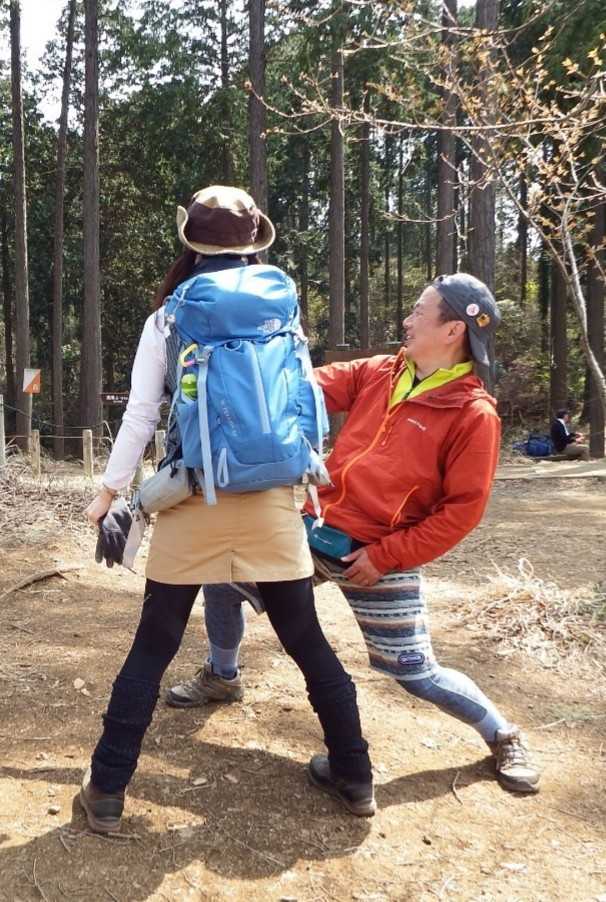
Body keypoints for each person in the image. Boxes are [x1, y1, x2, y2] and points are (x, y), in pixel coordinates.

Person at [168, 272, 541, 795]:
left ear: (453, 329)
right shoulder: (381, 372)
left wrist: (387, 556)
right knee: (224, 583)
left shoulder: (473, 414)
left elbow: (462, 511)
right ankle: (222, 677)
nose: (407, 320)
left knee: (415, 672)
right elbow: (304, 384)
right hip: (314, 526)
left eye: (419, 311)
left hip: (379, 553)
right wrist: (238, 371)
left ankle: (503, 735)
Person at [80, 186, 374, 834]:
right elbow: (301, 396)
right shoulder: (281, 303)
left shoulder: (171, 316)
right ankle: (355, 774)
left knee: (154, 645)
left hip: (195, 495)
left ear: (192, 241)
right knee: (306, 640)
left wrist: (109, 494)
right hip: (273, 497)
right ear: (251, 243)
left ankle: (106, 790)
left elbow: (141, 414)